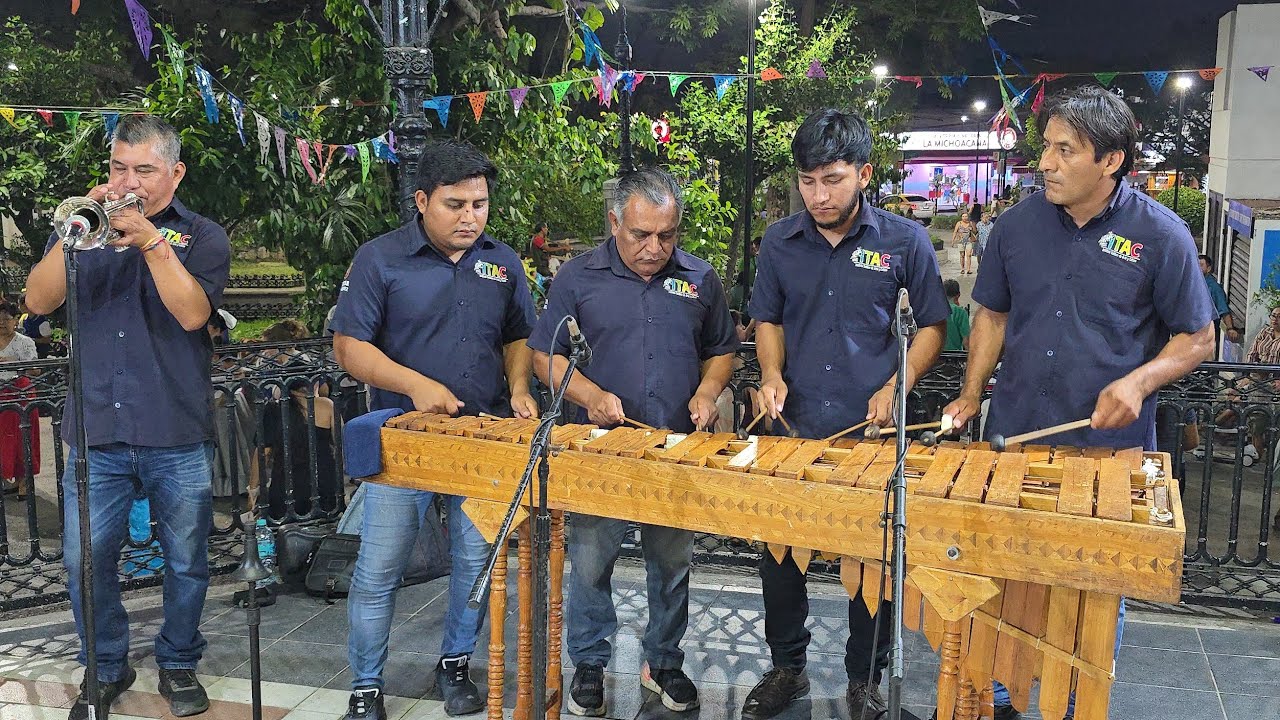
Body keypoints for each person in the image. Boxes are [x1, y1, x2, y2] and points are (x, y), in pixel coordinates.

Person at [942, 86, 1214, 720]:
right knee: (1007, 579)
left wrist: (1140, 382)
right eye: (1047, 148)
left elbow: (1198, 336)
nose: (1047, 162)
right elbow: (993, 316)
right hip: (1015, 438)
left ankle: (1072, 703)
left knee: (1088, 594)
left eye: (1066, 150)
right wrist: (968, 392)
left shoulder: (1161, 235)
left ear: (1110, 161)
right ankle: (1002, 696)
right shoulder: (1015, 226)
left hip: (1104, 456)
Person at [742, 108, 948, 720]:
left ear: (863, 173)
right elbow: (768, 320)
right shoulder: (780, 242)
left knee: (872, 565)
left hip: (872, 432)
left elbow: (933, 326)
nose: (819, 195)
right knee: (781, 559)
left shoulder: (903, 242)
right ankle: (787, 669)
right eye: (807, 182)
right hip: (793, 429)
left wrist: (897, 385)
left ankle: (866, 677)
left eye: (832, 180)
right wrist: (772, 375)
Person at [24, 114, 231, 719]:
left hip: (174, 428)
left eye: (143, 168)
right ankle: (107, 665)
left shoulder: (203, 236)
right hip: (97, 431)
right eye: (119, 167)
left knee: (188, 558)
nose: (128, 180)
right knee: (84, 558)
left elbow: (193, 315)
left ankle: (177, 661)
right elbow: (36, 302)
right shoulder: (79, 231)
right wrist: (72, 233)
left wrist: (149, 241)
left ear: (174, 172)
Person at [330, 140, 538, 720]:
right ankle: (366, 686)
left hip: (484, 438)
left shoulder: (502, 262)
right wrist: (416, 385)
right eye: (455, 204)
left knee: (476, 564)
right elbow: (349, 346)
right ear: (422, 201)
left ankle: (456, 664)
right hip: (404, 441)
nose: (470, 216)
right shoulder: (381, 259)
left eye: (480, 203)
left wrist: (520, 387)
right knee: (380, 568)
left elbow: (518, 336)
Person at [528, 168, 738, 717]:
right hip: (601, 449)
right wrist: (591, 393)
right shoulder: (577, 277)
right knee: (591, 561)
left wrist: (708, 390)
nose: (655, 248)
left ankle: (663, 661)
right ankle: (590, 664)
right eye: (641, 235)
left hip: (674, 449)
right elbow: (543, 357)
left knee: (672, 563)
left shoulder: (700, 277)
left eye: (667, 235)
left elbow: (721, 350)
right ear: (614, 221)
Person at [0, 302, 40, 497]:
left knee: (23, 436)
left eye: (6, 319)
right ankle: (7, 477)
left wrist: (16, 363)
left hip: (21, 393)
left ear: (15, 321)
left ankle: (25, 481)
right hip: (1, 393)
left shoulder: (25, 342)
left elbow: (36, 369)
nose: (2, 323)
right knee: (3, 439)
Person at [1199, 254, 1235, 360]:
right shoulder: (1193, 284)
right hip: (1191, 332)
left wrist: (1230, 328)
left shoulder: (1213, 287)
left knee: (1206, 363)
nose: (1197, 268)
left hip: (1208, 331)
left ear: (1208, 268)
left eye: (1201, 265)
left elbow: (1223, 309)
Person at [17, 294, 53, 358]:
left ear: (25, 305)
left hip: (41, 353)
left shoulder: (42, 321)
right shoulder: (23, 319)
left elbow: (47, 340)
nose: (18, 307)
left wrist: (32, 340)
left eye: (19, 305)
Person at [943, 279, 970, 352]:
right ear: (958, 295)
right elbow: (966, 342)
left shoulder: (933, 309)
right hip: (954, 357)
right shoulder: (961, 312)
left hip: (935, 356)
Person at [953, 208, 977, 275]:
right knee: (962, 255)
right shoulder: (959, 223)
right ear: (961, 217)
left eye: (966, 216)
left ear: (968, 217)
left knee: (969, 255)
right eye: (963, 216)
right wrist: (953, 240)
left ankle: (969, 269)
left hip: (969, 241)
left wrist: (972, 229)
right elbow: (955, 232)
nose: (964, 217)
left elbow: (975, 231)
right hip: (961, 241)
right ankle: (962, 268)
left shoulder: (970, 223)